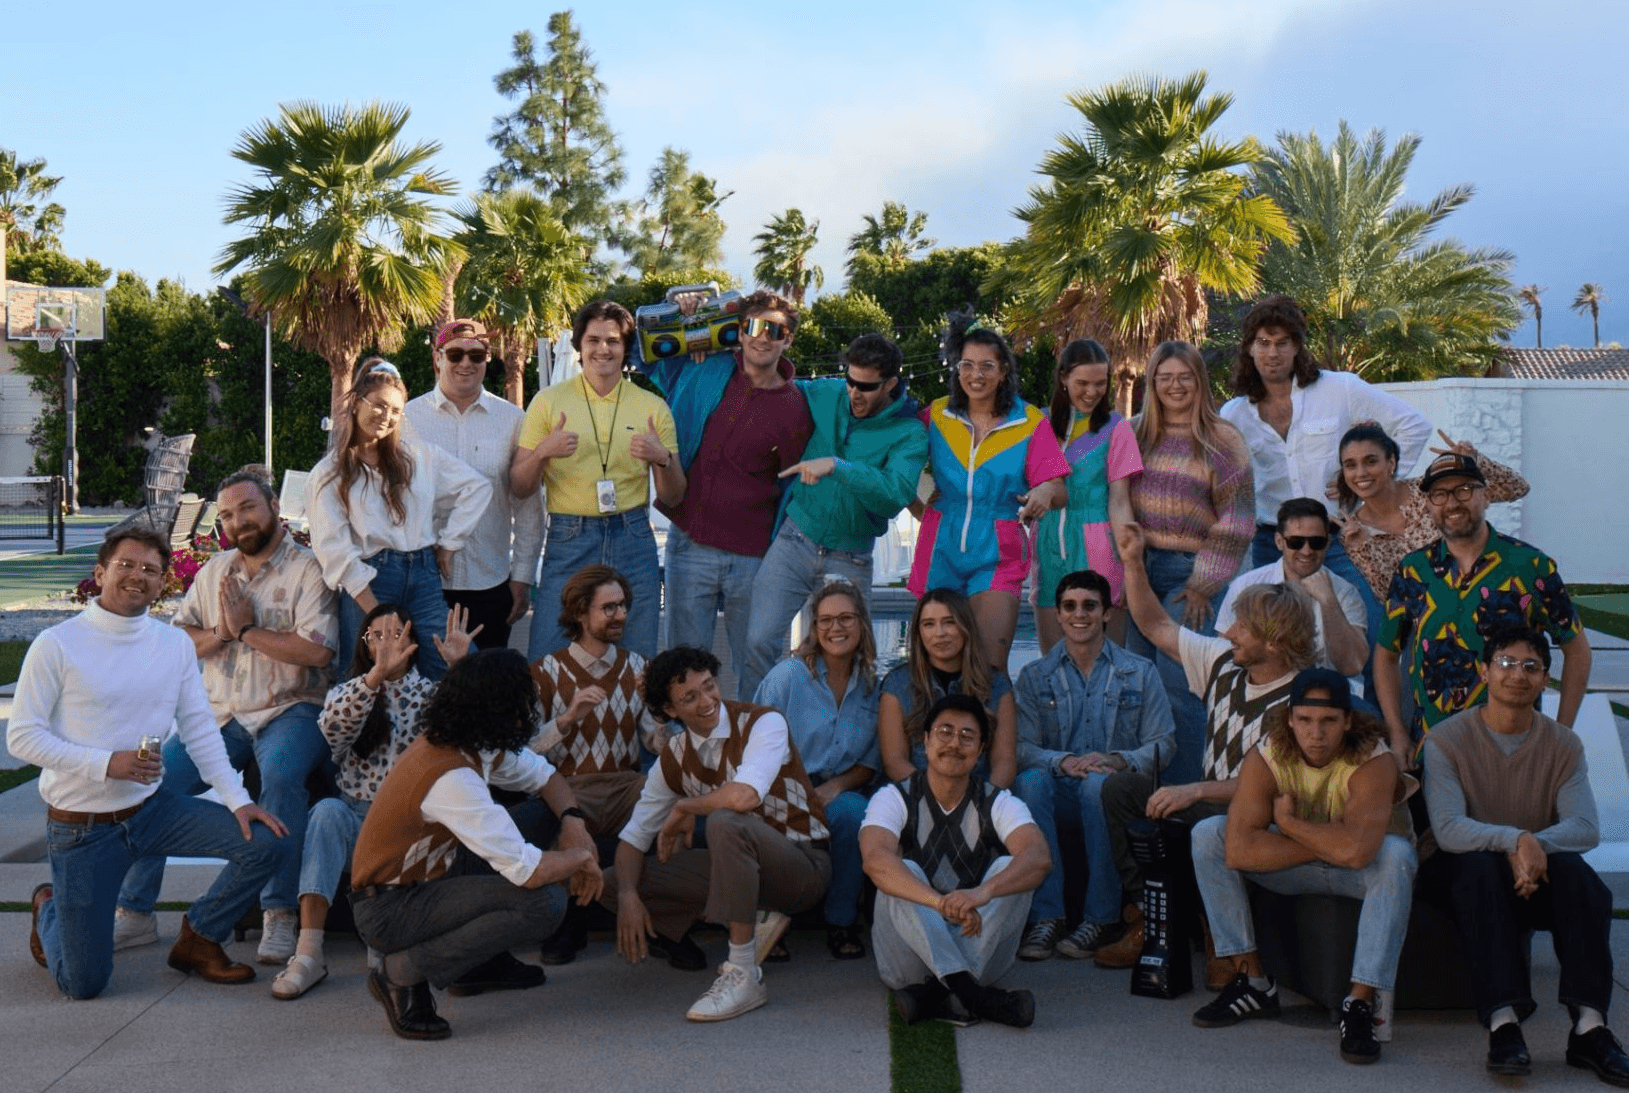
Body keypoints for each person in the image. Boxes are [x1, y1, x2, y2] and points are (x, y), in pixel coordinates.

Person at [15, 528, 288, 1000]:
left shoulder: (174, 645)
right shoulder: (57, 645)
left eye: (150, 570)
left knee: (264, 842)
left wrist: (238, 801)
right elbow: (22, 737)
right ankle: (49, 907)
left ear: (163, 583)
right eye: (125, 565)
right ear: (100, 573)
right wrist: (106, 764)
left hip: (150, 811)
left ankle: (199, 938)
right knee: (84, 984)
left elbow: (200, 729)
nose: (137, 576)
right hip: (83, 827)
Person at [115, 470, 337, 966]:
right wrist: (224, 630)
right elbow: (178, 640)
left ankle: (278, 912)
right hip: (217, 715)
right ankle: (135, 911)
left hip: (290, 708)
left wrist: (247, 631)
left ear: (275, 506)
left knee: (281, 773)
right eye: (228, 515)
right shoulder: (214, 571)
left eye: (248, 509)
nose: (238, 522)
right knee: (149, 779)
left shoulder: (309, 570)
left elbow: (317, 653)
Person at [1094, 521, 1318, 973]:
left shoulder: (1305, 700)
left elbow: (1273, 789)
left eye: (1242, 625)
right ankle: (1146, 919)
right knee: (1121, 791)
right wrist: (1134, 563)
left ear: (1272, 641)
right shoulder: (1223, 662)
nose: (1229, 631)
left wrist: (1194, 790)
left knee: (1205, 818)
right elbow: (1156, 625)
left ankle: (1221, 937)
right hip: (1210, 804)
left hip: (1262, 817)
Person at [349, 647, 603, 1041]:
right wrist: (582, 858)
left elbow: (546, 777)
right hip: (388, 909)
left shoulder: (470, 744)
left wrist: (574, 824)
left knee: (542, 812)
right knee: (544, 902)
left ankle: (479, 962)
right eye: (522, 702)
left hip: (430, 883)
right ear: (495, 709)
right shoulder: (449, 774)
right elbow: (529, 871)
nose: (529, 711)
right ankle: (400, 973)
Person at [1419, 626, 1629, 1085]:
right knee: (1477, 870)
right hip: (1457, 873)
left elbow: (1585, 827)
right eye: (1506, 664)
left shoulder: (1563, 744)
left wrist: (1534, 848)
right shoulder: (1445, 741)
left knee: (1580, 879)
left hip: (1530, 872)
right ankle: (1504, 1025)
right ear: (1484, 672)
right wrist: (1517, 840)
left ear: (1545, 679)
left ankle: (1590, 1029)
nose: (1518, 675)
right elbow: (1451, 829)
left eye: (1531, 666)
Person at [1189, 667, 1416, 1066]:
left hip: (1362, 874)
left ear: (1347, 721)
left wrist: (1291, 826)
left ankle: (1360, 1004)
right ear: (1290, 718)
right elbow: (1239, 851)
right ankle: (1253, 981)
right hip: (1306, 864)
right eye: (1306, 720)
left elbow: (1360, 854)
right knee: (1209, 834)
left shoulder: (1374, 759)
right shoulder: (1269, 751)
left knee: (1396, 856)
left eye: (1329, 721)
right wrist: (1331, 841)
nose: (1316, 733)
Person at [607, 646, 831, 1023]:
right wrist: (628, 895)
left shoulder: (764, 722)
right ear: (670, 711)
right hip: (741, 867)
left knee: (726, 821)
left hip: (803, 865)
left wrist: (685, 807)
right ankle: (749, 920)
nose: (707, 701)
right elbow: (634, 837)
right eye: (689, 697)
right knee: (611, 881)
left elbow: (744, 796)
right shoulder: (674, 755)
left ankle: (743, 972)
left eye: (709, 686)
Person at [267, 602, 480, 1000]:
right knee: (326, 812)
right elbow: (333, 730)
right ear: (364, 646)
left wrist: (459, 668)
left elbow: (474, 733)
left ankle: (384, 942)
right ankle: (309, 952)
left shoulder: (431, 695)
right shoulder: (348, 692)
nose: (385, 643)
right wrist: (377, 677)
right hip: (354, 817)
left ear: (412, 642)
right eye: (376, 635)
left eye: (395, 634)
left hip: (405, 828)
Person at [634, 290, 813, 697]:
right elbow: (640, 350)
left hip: (752, 557)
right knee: (683, 663)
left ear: (788, 339)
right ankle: (687, 752)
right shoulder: (705, 366)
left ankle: (758, 748)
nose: (762, 337)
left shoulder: (794, 405)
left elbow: (793, 487)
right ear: (740, 330)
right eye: (753, 326)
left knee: (758, 662)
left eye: (775, 330)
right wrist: (679, 308)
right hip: (690, 544)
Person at [741, 332, 927, 699]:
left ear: (890, 383)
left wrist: (837, 466)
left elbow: (896, 495)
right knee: (758, 641)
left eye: (866, 387)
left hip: (851, 556)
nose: (854, 393)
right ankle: (757, 732)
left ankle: (841, 744)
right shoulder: (827, 393)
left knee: (852, 657)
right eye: (850, 381)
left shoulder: (910, 433)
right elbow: (770, 384)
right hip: (795, 540)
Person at [1375, 450, 1591, 765]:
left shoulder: (1530, 566)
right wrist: (1396, 731)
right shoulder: (1413, 570)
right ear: (1428, 504)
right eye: (1439, 494)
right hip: (1433, 751)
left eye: (1464, 490)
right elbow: (1385, 654)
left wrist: (1561, 733)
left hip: (1513, 755)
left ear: (1486, 495)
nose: (1451, 503)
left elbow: (1577, 649)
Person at [1010, 569, 1174, 961]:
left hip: (1112, 792)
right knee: (1030, 782)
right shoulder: (1035, 676)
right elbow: (1019, 746)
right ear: (1059, 615)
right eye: (1069, 606)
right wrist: (1061, 761)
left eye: (1089, 606)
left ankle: (1100, 919)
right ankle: (1046, 918)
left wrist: (1117, 760)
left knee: (1097, 786)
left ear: (1106, 613)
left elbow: (1163, 744)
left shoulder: (1140, 671)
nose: (1078, 614)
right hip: (1059, 787)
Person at [861, 693, 1050, 1028]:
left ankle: (936, 993)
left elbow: (1038, 858)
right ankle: (973, 995)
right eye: (945, 732)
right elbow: (874, 860)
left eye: (967, 737)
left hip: (980, 947)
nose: (954, 744)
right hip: (908, 963)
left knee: (1012, 868)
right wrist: (939, 903)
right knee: (902, 871)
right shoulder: (894, 796)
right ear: (926, 740)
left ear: (979, 752)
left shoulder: (997, 801)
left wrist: (983, 893)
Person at [513, 301, 684, 661]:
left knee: (637, 656)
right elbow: (519, 486)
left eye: (613, 341)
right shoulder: (547, 402)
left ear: (625, 348)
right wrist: (544, 451)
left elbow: (674, 496)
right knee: (547, 655)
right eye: (593, 340)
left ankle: (631, 720)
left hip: (633, 536)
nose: (603, 349)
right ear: (579, 345)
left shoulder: (652, 407)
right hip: (570, 537)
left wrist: (662, 459)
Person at [1219, 293, 1432, 576]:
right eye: (1263, 343)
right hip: (1272, 545)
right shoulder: (1233, 415)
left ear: (1297, 347)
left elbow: (1414, 427)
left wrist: (1366, 485)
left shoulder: (1339, 389)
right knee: (1278, 621)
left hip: (1341, 539)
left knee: (1367, 617)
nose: (1273, 353)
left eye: (1282, 343)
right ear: (1249, 348)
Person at [307, 358, 491, 679]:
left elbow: (476, 487)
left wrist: (448, 544)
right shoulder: (329, 473)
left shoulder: (418, 456)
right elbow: (333, 549)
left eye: (395, 411)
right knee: (366, 676)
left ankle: (449, 729)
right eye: (378, 405)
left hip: (424, 577)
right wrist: (375, 612)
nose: (386, 416)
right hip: (371, 580)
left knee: (452, 667)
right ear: (356, 403)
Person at [1126, 340, 1255, 786]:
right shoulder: (1135, 433)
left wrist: (1205, 583)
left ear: (1199, 380)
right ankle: (1141, 792)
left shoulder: (1221, 438)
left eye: (1185, 376)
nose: (1176, 386)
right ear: (1153, 383)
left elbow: (1237, 518)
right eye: (1166, 378)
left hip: (1190, 575)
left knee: (1178, 685)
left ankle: (1186, 796)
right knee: (1136, 684)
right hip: (1138, 572)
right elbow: (1112, 499)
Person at [909, 311, 1068, 667]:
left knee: (989, 666)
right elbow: (897, 464)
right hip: (939, 549)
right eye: (967, 365)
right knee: (931, 667)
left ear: (1003, 371)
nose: (975, 375)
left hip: (998, 550)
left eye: (986, 366)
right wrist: (918, 506)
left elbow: (1059, 488)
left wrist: (1044, 492)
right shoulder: (935, 415)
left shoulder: (1029, 422)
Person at [528, 564, 665, 964]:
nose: (620, 615)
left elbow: (658, 744)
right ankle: (571, 920)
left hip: (625, 784)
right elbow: (524, 754)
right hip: (571, 787)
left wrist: (657, 710)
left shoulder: (639, 667)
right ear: (580, 614)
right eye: (609, 608)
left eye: (622, 606)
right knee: (558, 814)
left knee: (663, 797)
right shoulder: (545, 671)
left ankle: (663, 921)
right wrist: (567, 720)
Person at [753, 579, 881, 960]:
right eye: (825, 620)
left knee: (855, 813)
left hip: (837, 790)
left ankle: (841, 921)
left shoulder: (874, 686)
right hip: (781, 784)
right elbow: (754, 745)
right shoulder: (787, 677)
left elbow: (870, 763)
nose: (835, 628)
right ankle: (772, 917)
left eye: (845, 618)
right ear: (813, 627)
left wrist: (836, 786)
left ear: (862, 624)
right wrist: (796, 791)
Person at [404, 318, 543, 650]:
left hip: (491, 582)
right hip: (424, 584)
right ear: (438, 358)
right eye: (455, 354)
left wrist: (522, 577)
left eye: (476, 355)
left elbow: (527, 506)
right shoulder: (406, 420)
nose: (466, 363)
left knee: (487, 691)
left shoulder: (513, 419)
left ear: (487, 358)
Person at [1335, 424, 1529, 602]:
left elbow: (1516, 488)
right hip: (1429, 629)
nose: (1361, 473)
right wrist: (1365, 552)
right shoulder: (1355, 532)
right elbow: (1390, 597)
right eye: (1351, 465)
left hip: (1484, 597)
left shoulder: (1431, 490)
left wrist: (1476, 462)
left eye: (1371, 461)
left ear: (1391, 463)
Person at [1032, 339, 1141, 652]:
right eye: (1082, 383)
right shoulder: (1038, 424)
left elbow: (1120, 500)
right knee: (1052, 661)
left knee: (1108, 661)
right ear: (1063, 378)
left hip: (1100, 545)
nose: (1092, 392)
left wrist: (1128, 562)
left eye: (1100, 383)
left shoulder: (1116, 428)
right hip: (1050, 542)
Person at [1215, 497, 1369, 699]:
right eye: (1296, 542)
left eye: (1317, 542)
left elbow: (1352, 666)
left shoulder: (1345, 592)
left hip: (1325, 699)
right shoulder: (1245, 585)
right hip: (1262, 694)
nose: (1306, 551)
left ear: (1328, 543)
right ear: (1279, 542)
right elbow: (1225, 654)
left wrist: (1328, 601)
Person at [878, 588, 1019, 789]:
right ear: (919, 633)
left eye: (949, 622)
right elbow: (895, 762)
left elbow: (1004, 762)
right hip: (916, 794)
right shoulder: (897, 684)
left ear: (965, 627)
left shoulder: (996, 683)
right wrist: (936, 799)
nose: (940, 633)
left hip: (980, 794)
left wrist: (981, 801)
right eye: (929, 624)